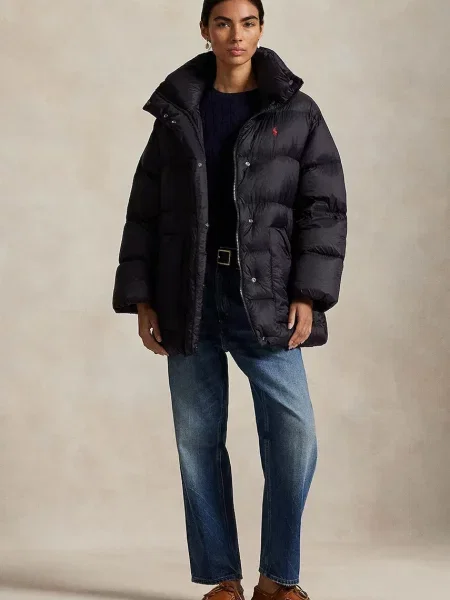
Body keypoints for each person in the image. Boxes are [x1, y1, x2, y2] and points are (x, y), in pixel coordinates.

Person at [112, 0, 347, 598]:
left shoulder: (296, 111)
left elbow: (322, 208)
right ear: (205, 31)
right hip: (187, 296)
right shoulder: (177, 111)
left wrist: (309, 293)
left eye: (247, 23)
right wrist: (142, 299)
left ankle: (278, 579)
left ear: (261, 29)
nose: (235, 35)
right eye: (223, 23)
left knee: (294, 436)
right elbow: (145, 210)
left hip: (263, 297)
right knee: (197, 441)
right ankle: (222, 579)